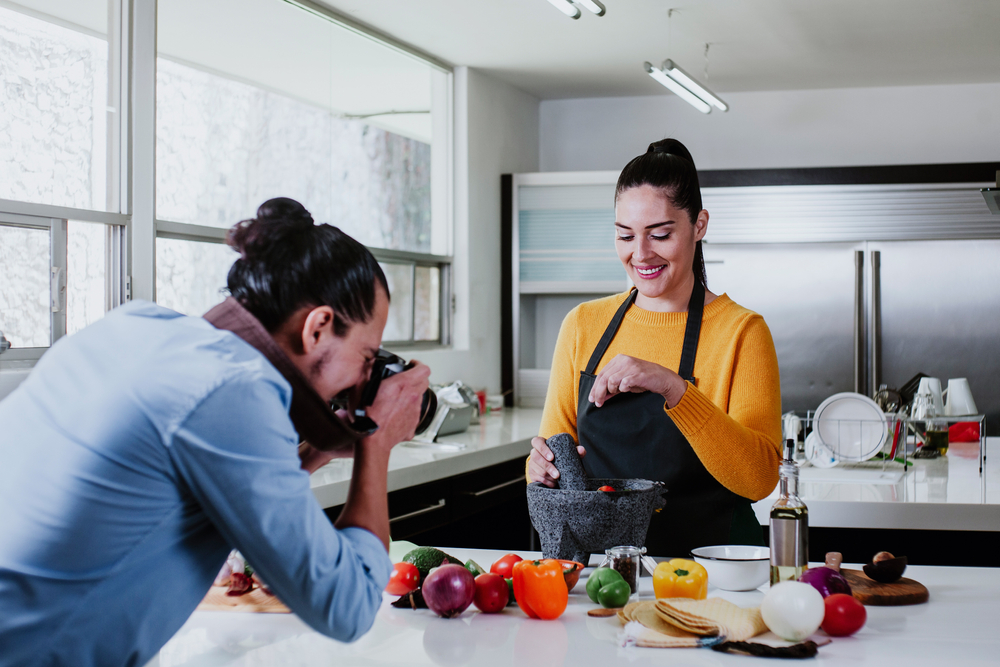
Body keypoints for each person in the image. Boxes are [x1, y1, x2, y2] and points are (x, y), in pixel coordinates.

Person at [0, 198, 430, 667]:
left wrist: (320, 447)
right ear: (318, 327)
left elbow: (209, 477)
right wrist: (376, 440)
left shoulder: (140, 326)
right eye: (367, 357)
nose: (363, 378)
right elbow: (347, 606)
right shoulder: (236, 392)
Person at [527, 139, 782, 557]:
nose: (640, 254)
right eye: (625, 235)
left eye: (660, 234)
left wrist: (675, 388)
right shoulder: (582, 325)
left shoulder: (742, 332)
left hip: (711, 570)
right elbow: (554, 452)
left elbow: (759, 480)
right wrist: (540, 469)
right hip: (605, 574)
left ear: (699, 226)